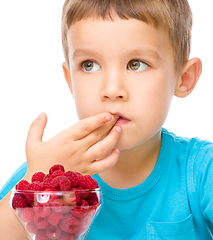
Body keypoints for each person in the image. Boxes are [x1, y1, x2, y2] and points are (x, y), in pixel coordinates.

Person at [0, 0, 212, 239]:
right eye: (89, 65)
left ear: (183, 78)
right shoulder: (51, 167)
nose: (112, 90)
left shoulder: (201, 170)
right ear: (70, 81)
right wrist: (37, 183)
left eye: (136, 64)